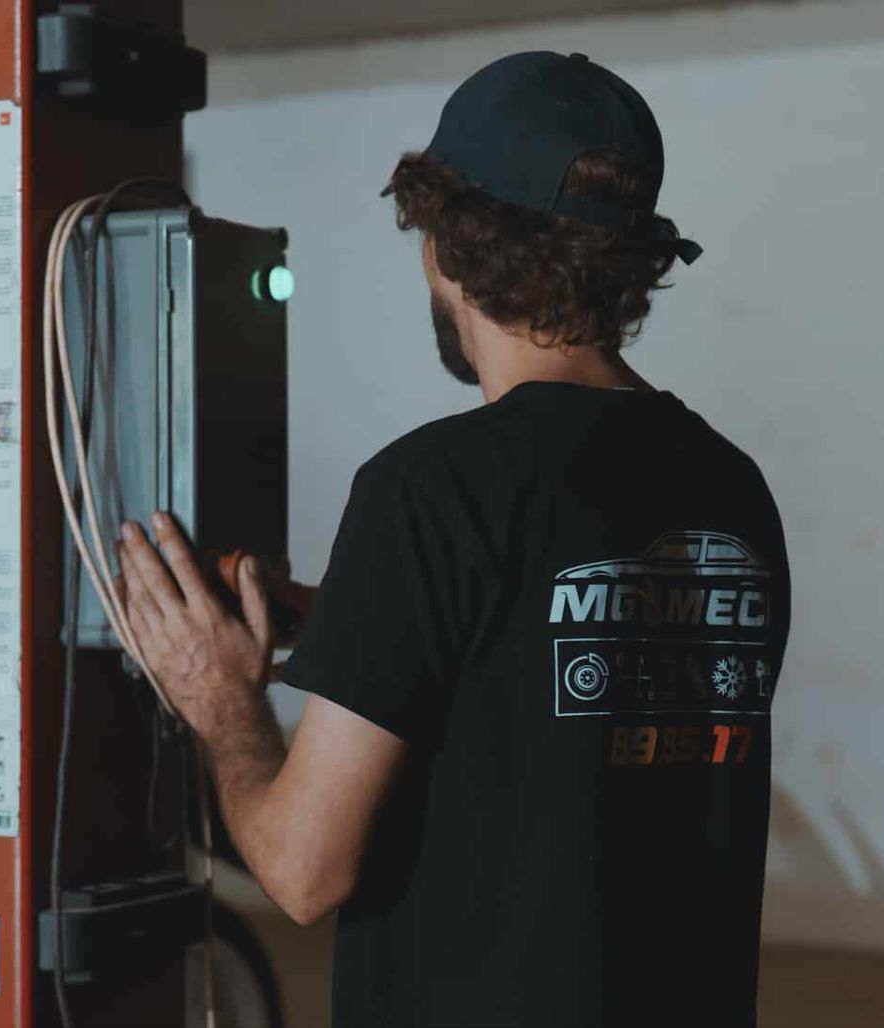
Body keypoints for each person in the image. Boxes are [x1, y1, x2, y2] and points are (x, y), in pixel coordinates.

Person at [116, 51, 790, 1027]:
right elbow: (569, 698)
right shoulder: (733, 489)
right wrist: (358, 623)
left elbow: (304, 869)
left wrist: (221, 700)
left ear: (446, 245)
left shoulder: (429, 491)